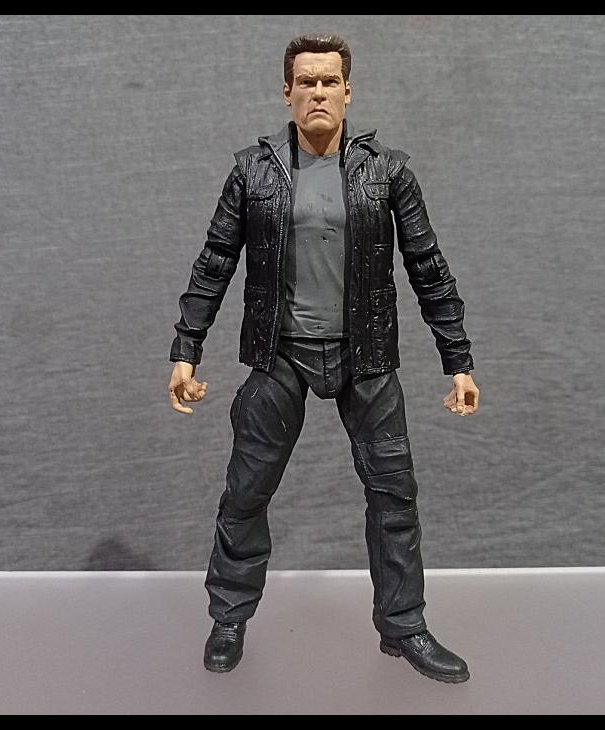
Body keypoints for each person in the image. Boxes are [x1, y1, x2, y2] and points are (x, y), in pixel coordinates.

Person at [168, 33, 479, 683]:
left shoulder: (386, 172)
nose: (317, 92)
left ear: (348, 92)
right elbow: (215, 261)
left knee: (394, 495)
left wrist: (458, 359)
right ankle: (229, 616)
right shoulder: (253, 172)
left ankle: (404, 625)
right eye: (305, 82)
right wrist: (186, 349)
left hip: (366, 356)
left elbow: (427, 266)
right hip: (279, 352)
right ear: (286, 92)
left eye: (329, 81)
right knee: (247, 490)